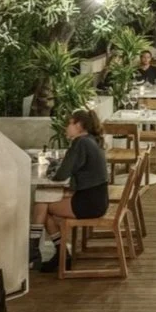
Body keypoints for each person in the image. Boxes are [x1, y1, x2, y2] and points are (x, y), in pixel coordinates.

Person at [29, 109, 109, 272]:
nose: (66, 127)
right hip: (97, 198)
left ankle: (36, 253)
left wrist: (51, 171)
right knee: (43, 204)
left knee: (41, 204)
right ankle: (58, 254)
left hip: (90, 203)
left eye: (69, 123)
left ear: (79, 125)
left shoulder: (81, 143)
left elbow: (61, 175)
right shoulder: (90, 140)